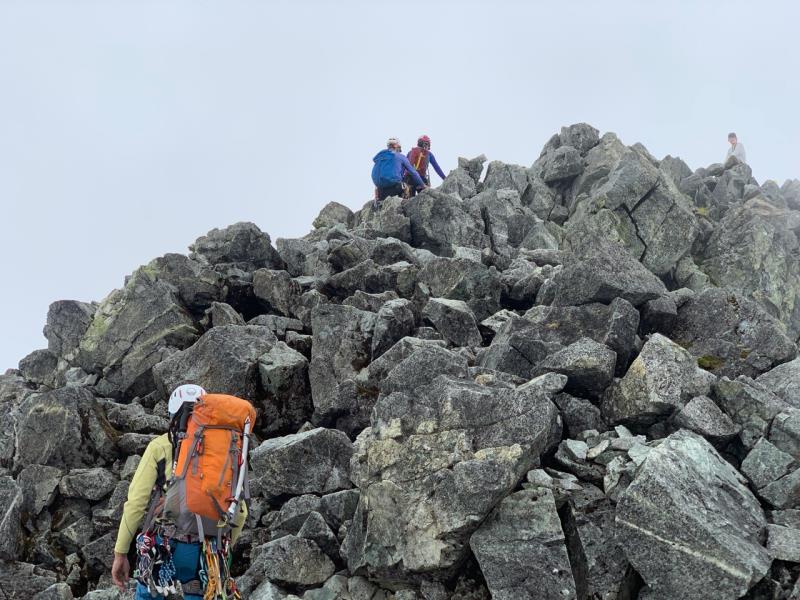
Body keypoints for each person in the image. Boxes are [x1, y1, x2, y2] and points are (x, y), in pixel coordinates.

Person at [111, 384, 249, 600]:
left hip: (164, 546)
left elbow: (136, 503)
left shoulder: (160, 446)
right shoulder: (228, 449)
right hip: (207, 551)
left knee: (148, 594)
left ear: (172, 415)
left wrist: (120, 553)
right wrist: (223, 546)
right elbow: (240, 511)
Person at [372, 137, 427, 208]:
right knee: (406, 187)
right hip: (395, 188)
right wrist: (423, 185)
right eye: (399, 148)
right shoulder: (400, 156)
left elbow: (379, 175)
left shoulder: (381, 157)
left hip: (381, 191)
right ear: (396, 146)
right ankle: (404, 207)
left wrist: (377, 194)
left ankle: (378, 200)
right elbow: (413, 172)